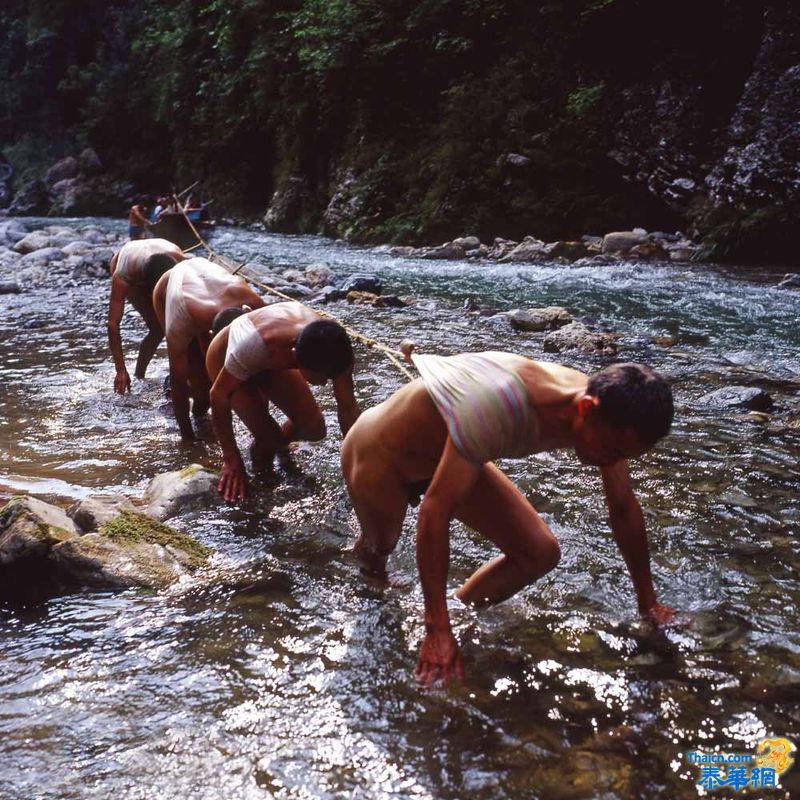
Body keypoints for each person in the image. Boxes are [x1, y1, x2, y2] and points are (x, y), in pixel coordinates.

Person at [340, 347, 676, 685]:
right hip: (380, 451)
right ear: (587, 408)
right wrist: (435, 628)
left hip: (453, 452)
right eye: (614, 452)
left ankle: (456, 612)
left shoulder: (608, 416)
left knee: (539, 552)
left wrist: (648, 603)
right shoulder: (497, 405)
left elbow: (622, 508)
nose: (612, 461)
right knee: (380, 548)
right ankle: (390, 597)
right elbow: (435, 511)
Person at [205, 302, 361, 500]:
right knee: (269, 438)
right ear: (297, 358)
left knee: (314, 428)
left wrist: (360, 463)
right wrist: (231, 458)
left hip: (269, 352)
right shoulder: (258, 346)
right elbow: (218, 396)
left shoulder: (337, 349)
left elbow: (348, 409)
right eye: (321, 377)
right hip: (226, 355)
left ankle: (272, 445)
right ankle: (263, 477)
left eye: (330, 378)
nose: (323, 384)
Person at [152, 256, 265, 441]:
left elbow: (265, 367)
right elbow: (178, 380)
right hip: (171, 289)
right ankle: (195, 414)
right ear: (213, 335)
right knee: (201, 389)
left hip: (208, 281)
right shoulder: (180, 320)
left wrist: (260, 432)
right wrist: (187, 440)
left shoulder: (253, 304)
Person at [107, 238, 185, 394]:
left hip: (163, 258)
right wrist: (120, 369)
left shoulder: (181, 264)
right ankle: (138, 376)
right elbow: (113, 324)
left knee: (177, 324)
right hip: (129, 266)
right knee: (157, 329)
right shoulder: (123, 275)